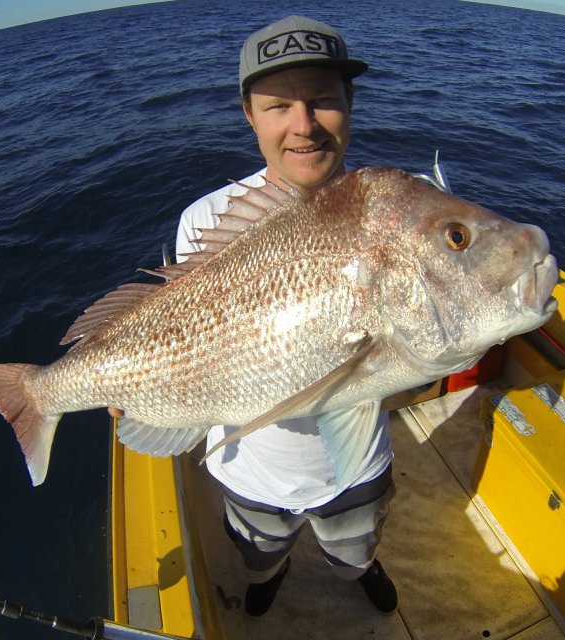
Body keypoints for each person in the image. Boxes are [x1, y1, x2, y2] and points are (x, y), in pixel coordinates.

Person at [173, 15, 398, 618]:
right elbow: (180, 339)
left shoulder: (392, 213)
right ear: (249, 114)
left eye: (323, 100)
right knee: (258, 551)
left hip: (357, 465)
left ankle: (358, 567)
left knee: (353, 545)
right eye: (278, 106)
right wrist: (148, 390)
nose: (304, 125)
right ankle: (267, 575)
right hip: (251, 470)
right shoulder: (205, 221)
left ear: (350, 104)